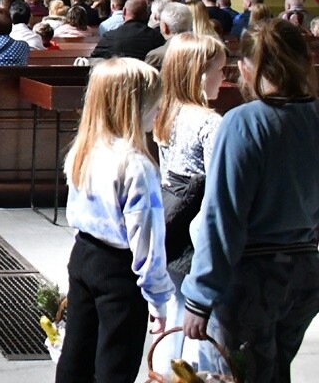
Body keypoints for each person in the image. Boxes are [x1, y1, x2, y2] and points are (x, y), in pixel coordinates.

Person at [182, 20, 319, 382]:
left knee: (240, 375)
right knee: (275, 372)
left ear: (245, 68)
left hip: (252, 276)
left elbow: (222, 216)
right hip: (304, 270)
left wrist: (199, 296)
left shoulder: (244, 123)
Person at [56, 57, 172, 383]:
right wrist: (158, 299)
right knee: (116, 363)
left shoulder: (85, 148)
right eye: (154, 104)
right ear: (132, 106)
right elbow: (146, 242)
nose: (159, 110)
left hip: (83, 255)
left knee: (76, 355)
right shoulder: (136, 165)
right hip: (120, 271)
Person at [149, 33, 227, 378]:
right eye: (219, 70)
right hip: (198, 222)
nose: (225, 78)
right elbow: (220, 183)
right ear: (198, 74)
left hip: (171, 215)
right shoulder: (210, 122)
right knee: (207, 315)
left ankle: (166, 373)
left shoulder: (166, 111)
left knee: (177, 307)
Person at [91, 0, 165, 60]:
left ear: (124, 11)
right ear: (146, 14)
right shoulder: (156, 37)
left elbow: (94, 59)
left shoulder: (109, 36)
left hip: (118, 75)